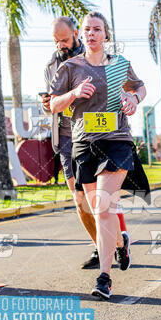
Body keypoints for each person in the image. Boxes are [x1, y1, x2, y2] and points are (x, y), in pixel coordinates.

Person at [50, 11, 149, 299]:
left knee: (104, 205)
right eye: (87, 29)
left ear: (106, 34)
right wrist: (74, 94)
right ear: (82, 34)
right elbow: (53, 104)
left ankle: (104, 278)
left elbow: (140, 87)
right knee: (98, 208)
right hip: (83, 143)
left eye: (98, 29)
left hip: (116, 140)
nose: (92, 33)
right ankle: (120, 242)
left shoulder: (119, 65)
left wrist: (133, 98)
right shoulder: (70, 67)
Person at [41, 16, 99, 268]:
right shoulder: (51, 65)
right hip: (65, 136)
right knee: (79, 199)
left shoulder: (93, 55)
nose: (60, 45)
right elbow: (52, 101)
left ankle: (118, 243)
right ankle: (101, 247)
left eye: (64, 39)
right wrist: (46, 104)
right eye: (56, 41)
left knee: (100, 197)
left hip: (93, 134)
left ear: (76, 33)